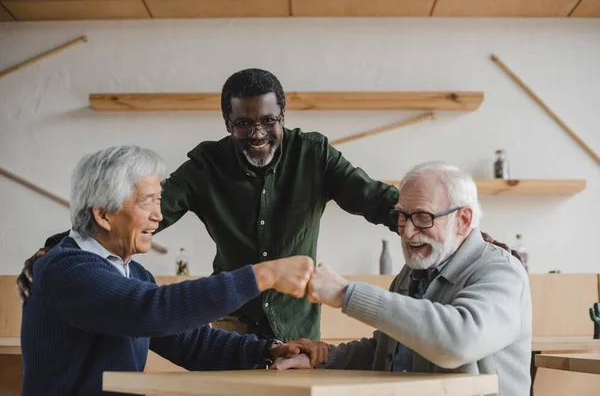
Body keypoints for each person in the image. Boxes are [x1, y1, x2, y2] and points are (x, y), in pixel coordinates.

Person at [16, 68, 518, 343]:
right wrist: (61, 250)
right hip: (231, 313)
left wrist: (457, 238)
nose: (257, 134)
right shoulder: (205, 166)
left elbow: (378, 200)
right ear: (226, 122)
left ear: (283, 114)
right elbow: (134, 213)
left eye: (268, 121)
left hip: (300, 321)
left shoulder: (314, 153)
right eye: (242, 125)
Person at [20, 145, 328, 396]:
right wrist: (264, 275)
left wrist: (269, 352)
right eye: (148, 202)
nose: (158, 215)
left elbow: (191, 342)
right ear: (103, 215)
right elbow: (152, 310)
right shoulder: (66, 270)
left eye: (160, 200)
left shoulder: (135, 275)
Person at [273, 162, 532, 396]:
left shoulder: (500, 270)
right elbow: (389, 350)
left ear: (462, 220)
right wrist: (325, 357)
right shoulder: (413, 272)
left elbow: (459, 341)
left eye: (422, 217)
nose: (407, 232)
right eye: (402, 216)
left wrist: (346, 293)